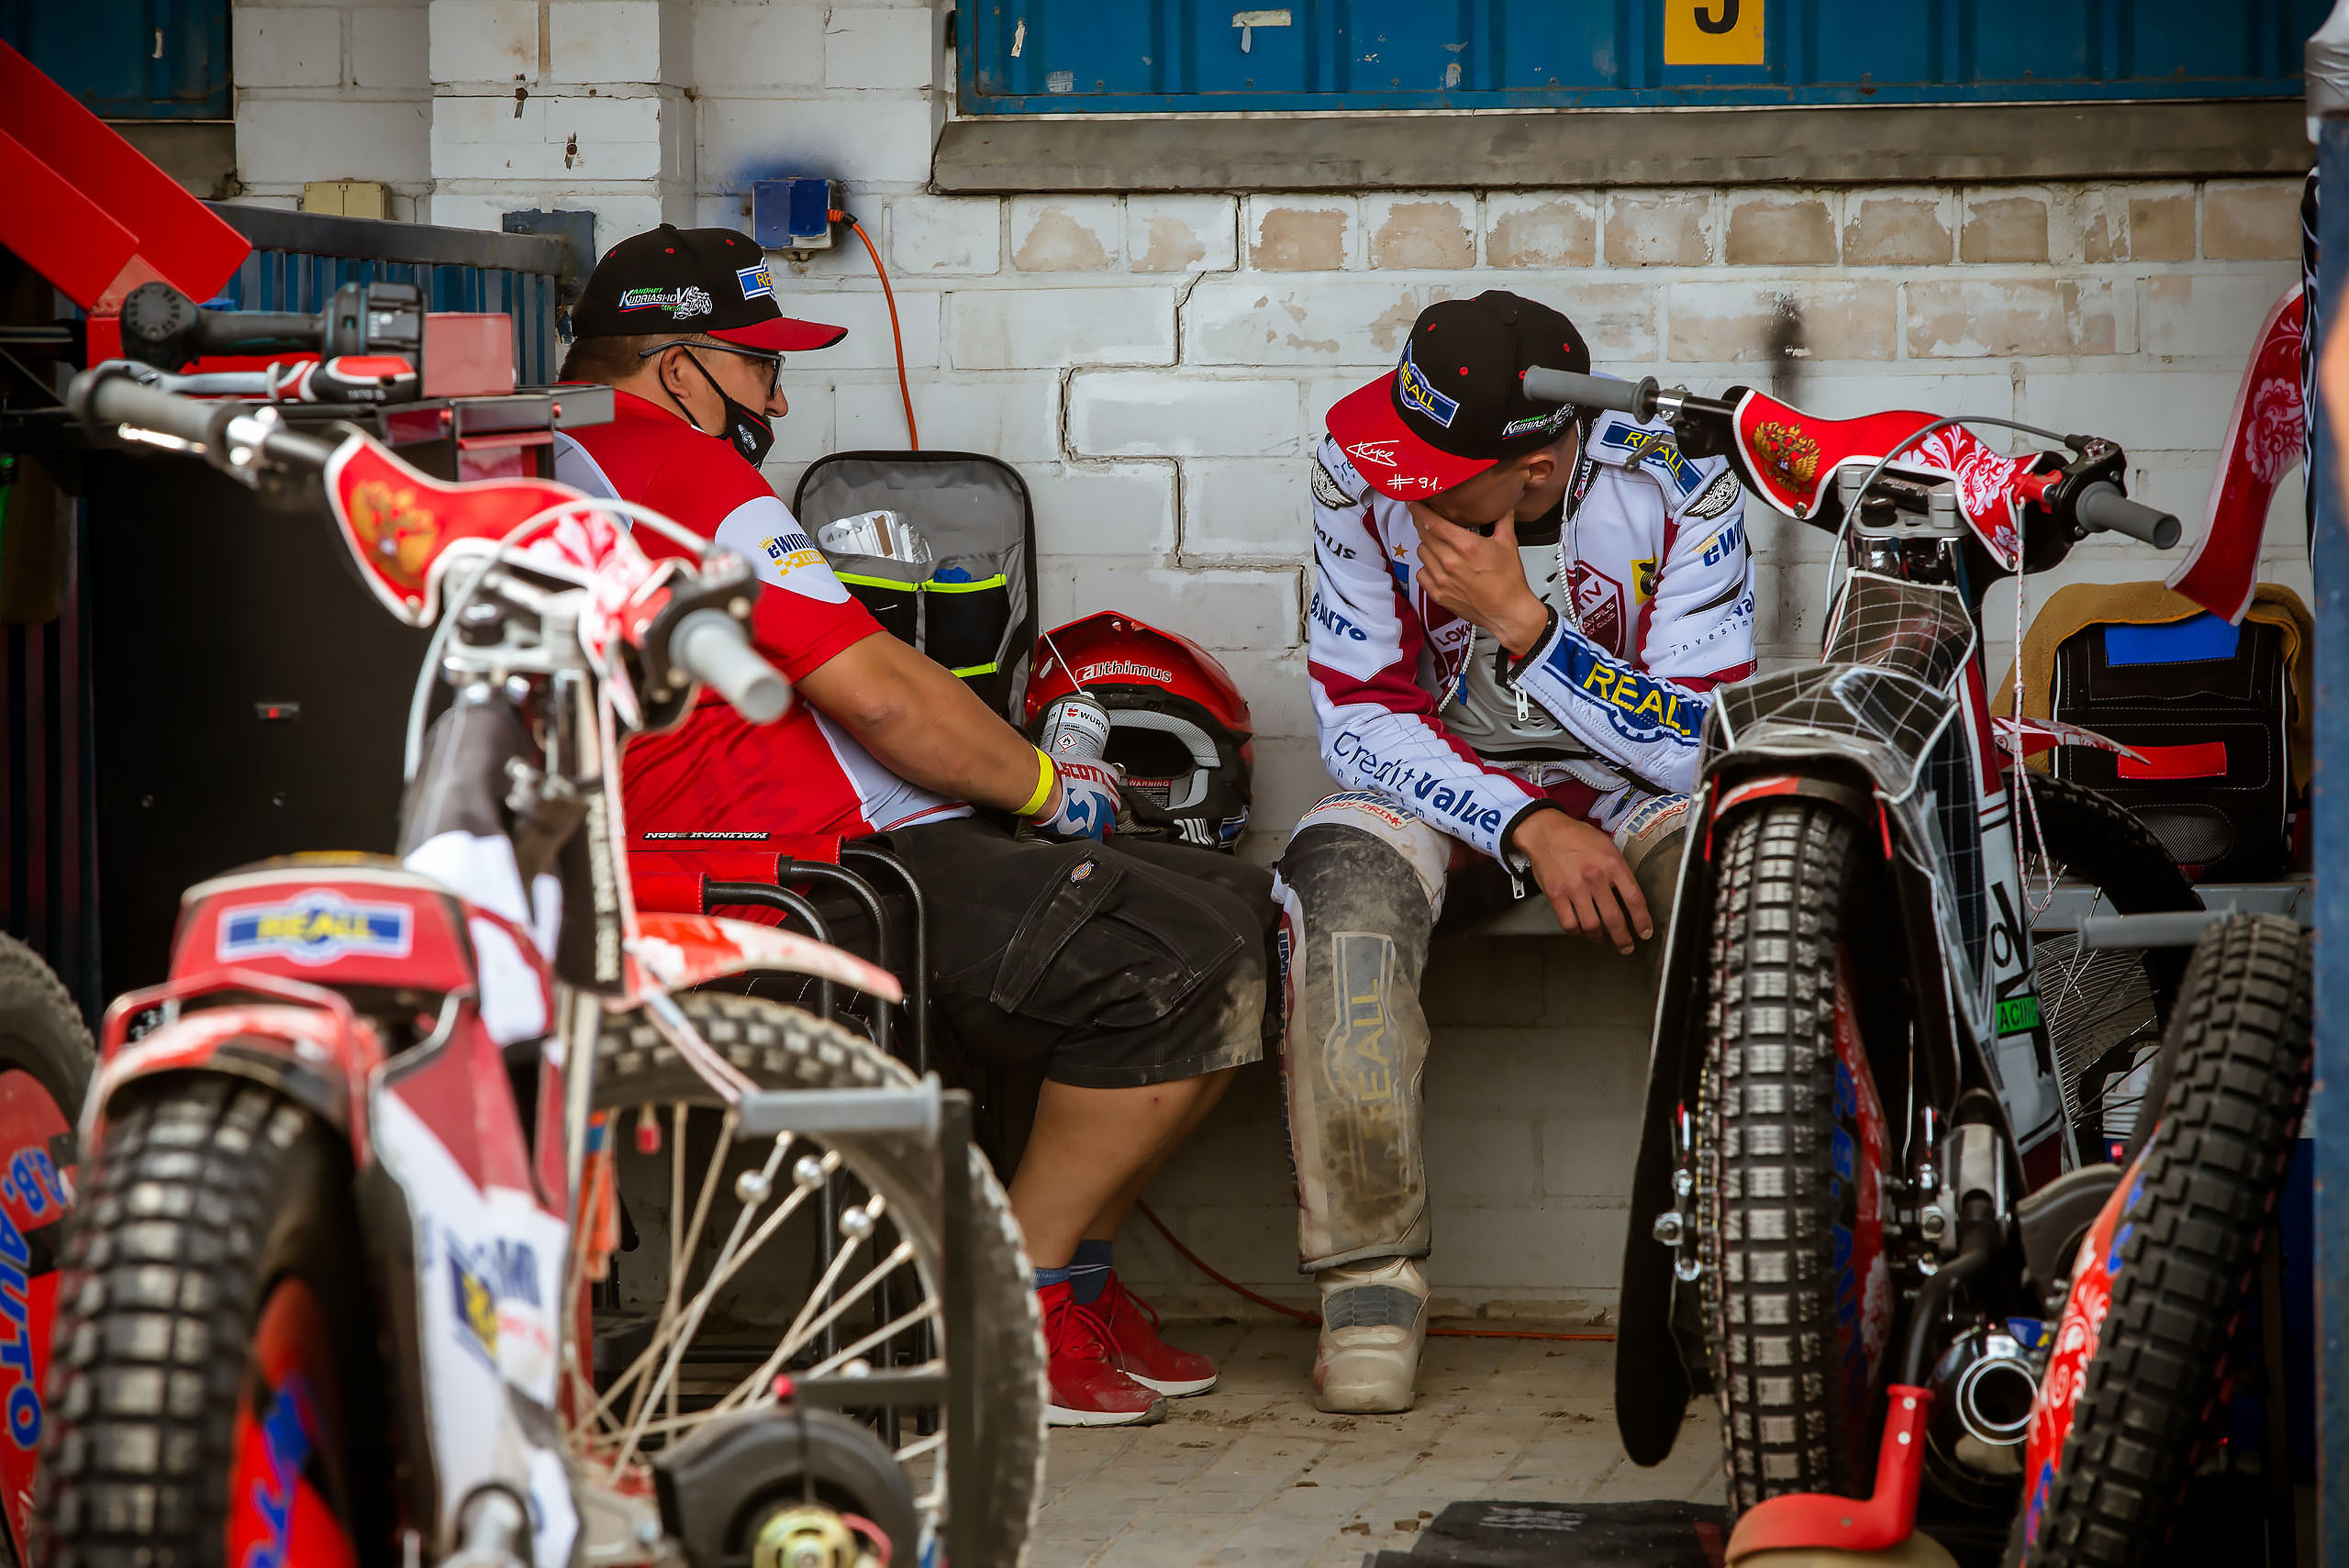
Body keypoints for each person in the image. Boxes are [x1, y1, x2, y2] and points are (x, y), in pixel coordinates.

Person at [551, 224, 1275, 1428]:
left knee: (1247, 907)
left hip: (806, 848)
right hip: (790, 874)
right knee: (1183, 959)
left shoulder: (578, 450)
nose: (778, 399)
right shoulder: (674, 470)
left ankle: (1075, 1282)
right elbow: (878, 691)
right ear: (678, 366)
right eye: (759, 367)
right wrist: (1045, 788)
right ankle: (1013, 1305)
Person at [1281, 291, 1756, 1412]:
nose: (1394, 480)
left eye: (1427, 464)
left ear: (1536, 468)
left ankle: (1739, 1270)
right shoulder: (1355, 466)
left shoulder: (1682, 478)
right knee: (1340, 896)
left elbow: (1699, 747)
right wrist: (1524, 823)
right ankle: (1368, 1283)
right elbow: (1357, 716)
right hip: (1442, 783)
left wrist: (1526, 631)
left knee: (1742, 890)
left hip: (1632, 786)